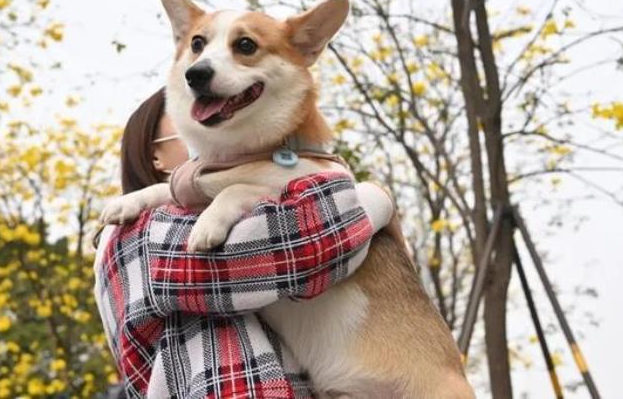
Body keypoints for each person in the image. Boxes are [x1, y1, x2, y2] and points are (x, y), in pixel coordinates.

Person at [94, 87, 406, 398]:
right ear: (154, 154)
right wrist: (375, 199)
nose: (213, 121)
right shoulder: (133, 233)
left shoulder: (211, 220)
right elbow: (309, 245)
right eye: (187, 111)